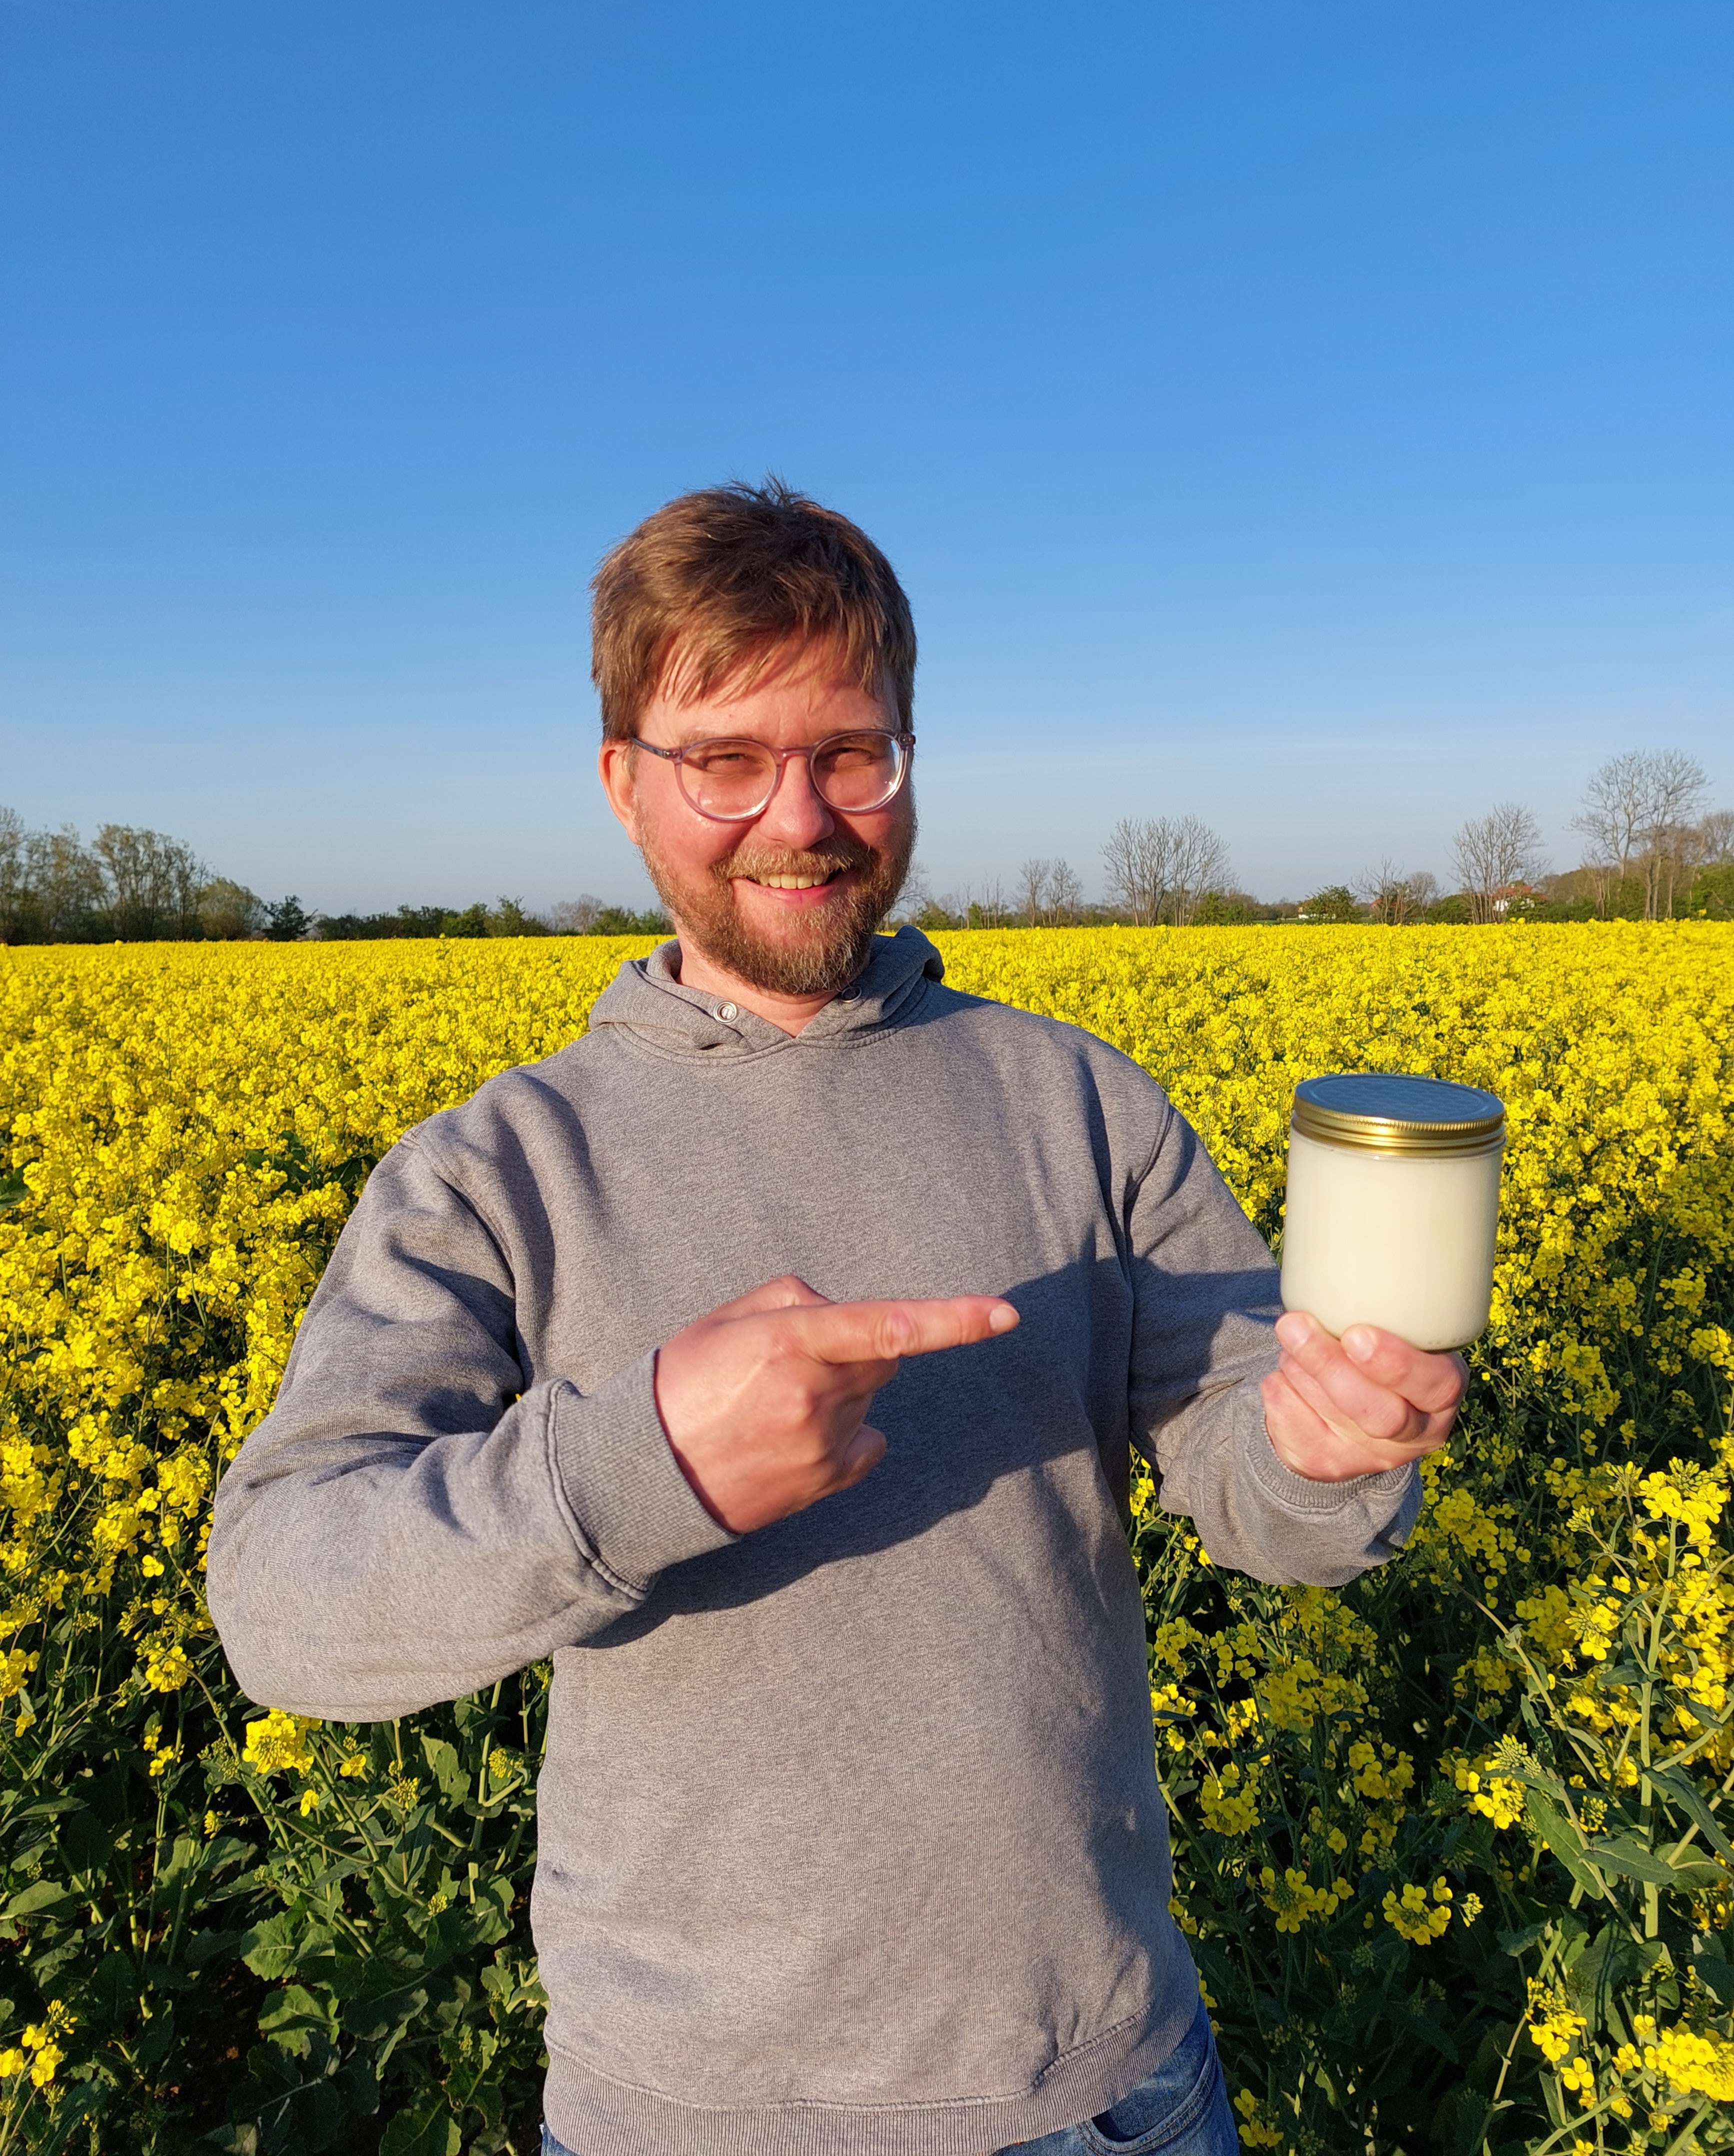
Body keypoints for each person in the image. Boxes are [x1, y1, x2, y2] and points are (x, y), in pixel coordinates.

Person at [208, 480, 1466, 2156]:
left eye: (850, 753)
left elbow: (1267, 1504)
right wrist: (644, 1461)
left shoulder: (1078, 1103)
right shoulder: (497, 1169)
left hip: (1103, 2088)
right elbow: (286, 1610)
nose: (798, 817)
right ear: (622, 786)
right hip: (692, 2115)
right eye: (724, 760)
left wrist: (1325, 1453)